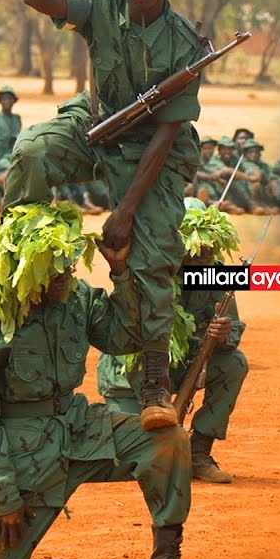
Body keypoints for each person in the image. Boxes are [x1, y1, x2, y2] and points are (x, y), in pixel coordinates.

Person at [9, 0, 211, 430]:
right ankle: (17, 268)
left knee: (153, 259)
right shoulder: (101, 1)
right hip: (96, 120)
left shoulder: (185, 44)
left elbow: (169, 130)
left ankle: (153, 381)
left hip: (153, 148)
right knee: (32, 151)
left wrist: (124, 211)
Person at [0, 203, 203, 559]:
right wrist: (3, 496)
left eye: (68, 266)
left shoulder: (78, 298)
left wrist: (119, 271)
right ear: (25, 266)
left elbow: (125, 338)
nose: (65, 276)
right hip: (24, 454)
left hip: (81, 427)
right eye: (53, 268)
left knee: (167, 440)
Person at [97, 198, 244, 483]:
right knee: (134, 463)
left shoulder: (213, 270)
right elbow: (131, 333)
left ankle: (199, 452)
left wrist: (223, 335)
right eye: (194, 247)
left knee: (234, 362)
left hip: (182, 365)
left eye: (207, 249)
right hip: (130, 375)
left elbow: (234, 327)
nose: (202, 255)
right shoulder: (147, 267)